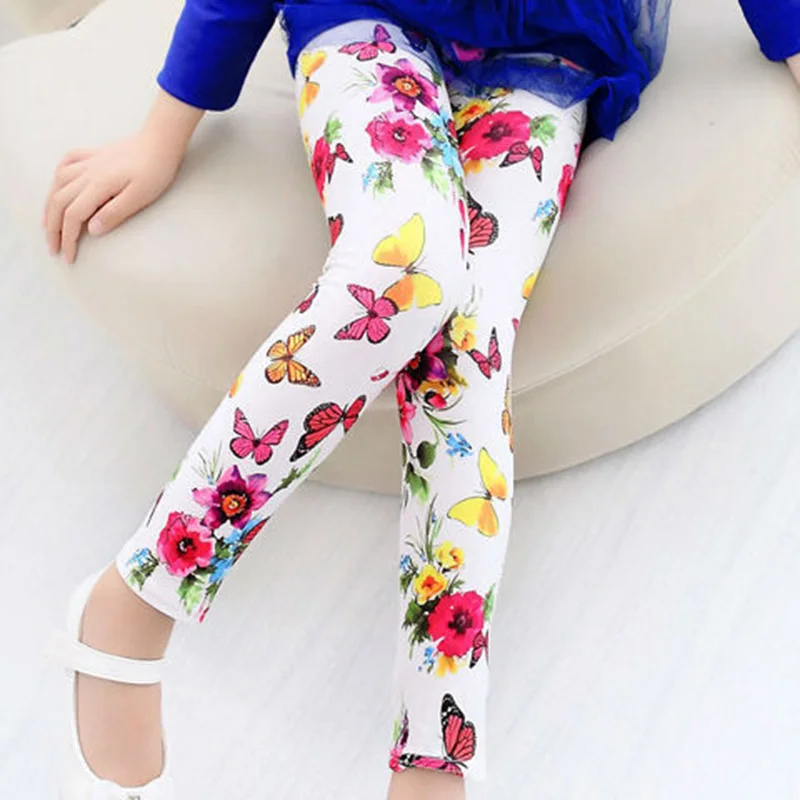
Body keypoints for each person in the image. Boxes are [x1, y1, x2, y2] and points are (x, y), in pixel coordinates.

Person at [42, 2, 800, 798]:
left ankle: (433, 770)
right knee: (406, 269)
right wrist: (165, 132)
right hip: (370, 20)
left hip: (552, 48)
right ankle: (137, 598)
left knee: (467, 351)